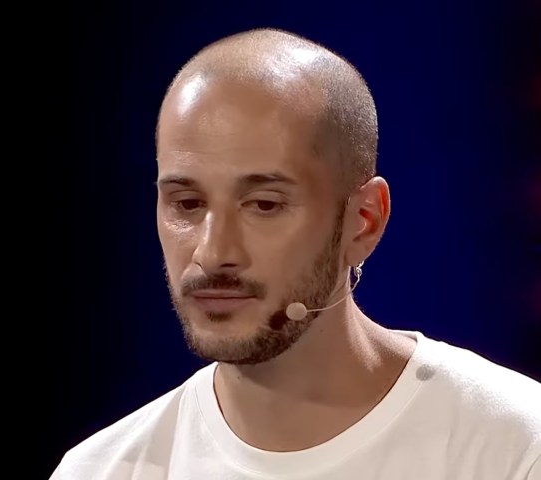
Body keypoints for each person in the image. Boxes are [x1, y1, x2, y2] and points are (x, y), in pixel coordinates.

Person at [50, 28, 541, 479]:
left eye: (264, 205)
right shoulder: (100, 471)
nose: (212, 253)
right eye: (187, 204)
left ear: (364, 220)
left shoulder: (514, 447)